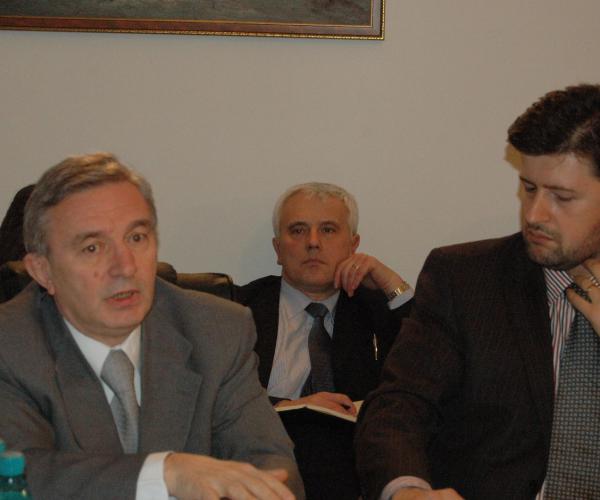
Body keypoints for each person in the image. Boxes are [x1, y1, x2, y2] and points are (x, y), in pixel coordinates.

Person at [0, 153, 303, 500]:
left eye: (137, 237)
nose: (125, 266)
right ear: (43, 271)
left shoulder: (216, 330)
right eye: (92, 247)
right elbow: (20, 474)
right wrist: (165, 473)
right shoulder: (10, 345)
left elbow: (271, 465)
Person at [355, 83, 600, 500]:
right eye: (529, 188)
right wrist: (408, 490)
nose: (535, 214)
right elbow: (399, 406)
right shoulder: (465, 279)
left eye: (561, 197)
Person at [235, 182, 413, 499]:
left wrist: (392, 284)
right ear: (277, 249)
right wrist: (288, 407)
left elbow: (429, 362)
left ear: (353, 245)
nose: (313, 243)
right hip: (261, 472)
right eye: (298, 230)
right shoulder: (237, 311)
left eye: (328, 230)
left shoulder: (373, 311)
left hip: (352, 476)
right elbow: (213, 399)